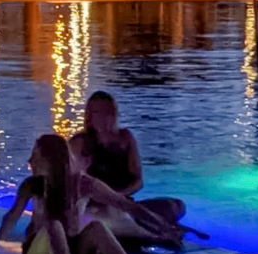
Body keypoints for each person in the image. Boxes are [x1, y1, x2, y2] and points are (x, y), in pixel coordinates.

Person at [0, 134, 182, 254]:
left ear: (51, 160)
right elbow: (12, 216)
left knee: (96, 227)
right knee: (54, 225)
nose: (30, 161)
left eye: (35, 156)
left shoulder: (84, 184)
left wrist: (163, 226)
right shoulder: (31, 186)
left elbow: (128, 206)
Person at [69, 91, 186, 243]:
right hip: (97, 207)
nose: (105, 118)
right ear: (90, 116)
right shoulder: (80, 143)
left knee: (176, 206)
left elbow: (138, 181)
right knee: (111, 217)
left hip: (124, 203)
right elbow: (73, 184)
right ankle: (146, 232)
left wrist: (119, 196)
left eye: (109, 113)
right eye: (99, 113)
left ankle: (148, 225)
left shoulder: (125, 138)